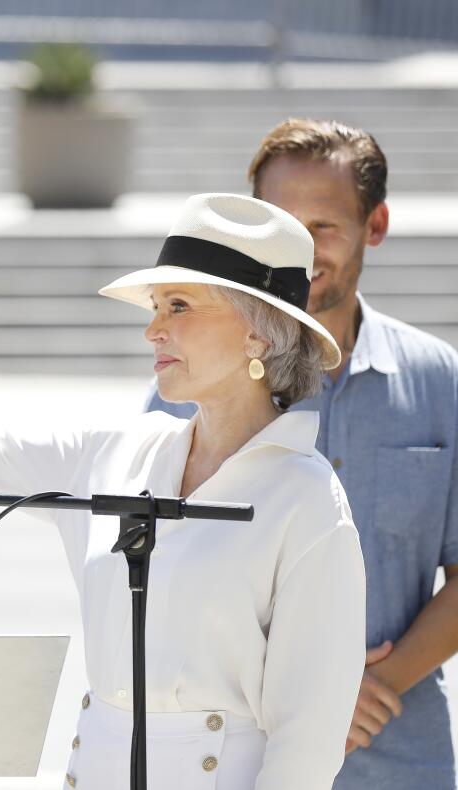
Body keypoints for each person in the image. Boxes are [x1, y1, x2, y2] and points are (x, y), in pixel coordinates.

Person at [0, 193, 365, 789]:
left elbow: (307, 740)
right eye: (156, 307)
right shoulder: (115, 451)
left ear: (258, 334)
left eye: (178, 306)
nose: (153, 329)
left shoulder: (307, 498)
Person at [146, 119, 458, 789]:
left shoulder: (441, 382)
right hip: (235, 759)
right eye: (281, 224)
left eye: (324, 227)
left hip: (400, 755)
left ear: (375, 226)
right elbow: (160, 575)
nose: (301, 249)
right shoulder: (189, 382)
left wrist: (363, 690)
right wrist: (308, 702)